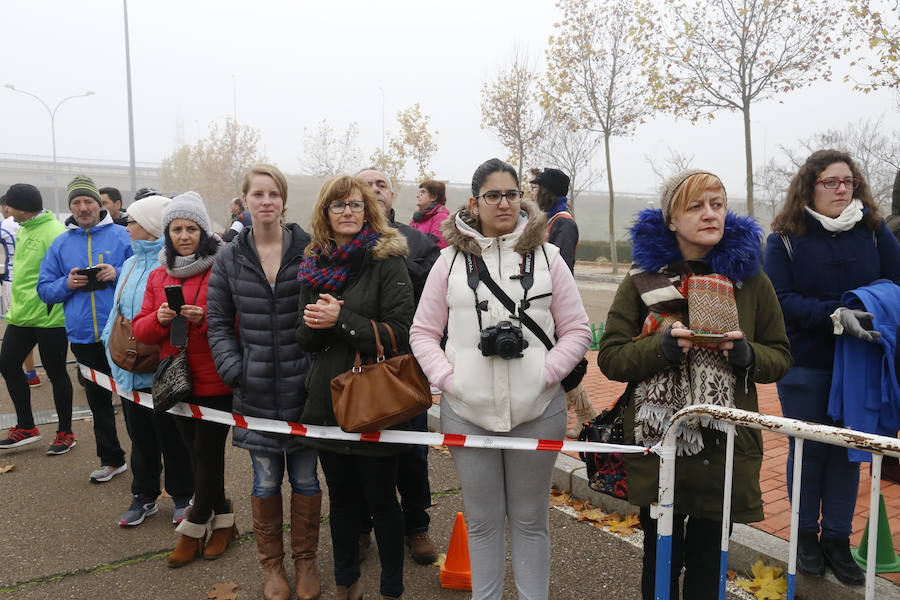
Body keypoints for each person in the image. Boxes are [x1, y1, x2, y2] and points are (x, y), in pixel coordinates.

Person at [598, 169, 791, 600]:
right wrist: (660, 349)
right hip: (661, 446)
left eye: (717, 204)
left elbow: (780, 355)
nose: (710, 214)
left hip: (726, 447)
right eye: (696, 206)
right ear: (671, 218)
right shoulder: (641, 280)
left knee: (709, 566)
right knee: (660, 562)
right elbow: (610, 357)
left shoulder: (752, 280)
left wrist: (748, 357)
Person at [410, 158, 592, 599]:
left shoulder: (548, 257)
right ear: (474, 203)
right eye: (493, 195)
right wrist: (450, 381)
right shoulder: (449, 261)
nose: (504, 202)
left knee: (531, 521)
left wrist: (546, 375)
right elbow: (422, 332)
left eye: (512, 193)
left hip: (539, 412)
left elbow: (578, 331)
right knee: (483, 522)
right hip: (467, 413)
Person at [764, 150, 900, 585]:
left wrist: (876, 308)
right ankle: (804, 536)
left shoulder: (875, 232)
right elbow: (779, 300)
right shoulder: (784, 238)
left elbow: (897, 284)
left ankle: (838, 540)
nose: (843, 189)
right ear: (809, 186)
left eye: (849, 182)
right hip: (806, 363)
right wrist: (836, 315)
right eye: (832, 182)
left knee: (849, 452)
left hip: (861, 363)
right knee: (808, 449)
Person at [296, 174, 414, 600]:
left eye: (355, 205)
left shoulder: (387, 260)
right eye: (338, 205)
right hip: (329, 401)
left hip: (376, 403)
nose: (347, 212)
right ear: (325, 213)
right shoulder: (313, 263)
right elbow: (305, 339)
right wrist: (318, 323)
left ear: (369, 211)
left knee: (383, 503)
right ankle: (347, 582)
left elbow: (401, 333)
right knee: (342, 504)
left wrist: (342, 320)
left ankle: (391, 588)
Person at [208, 165, 321, 600]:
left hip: (305, 393)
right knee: (265, 483)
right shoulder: (229, 257)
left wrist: (316, 375)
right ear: (246, 201)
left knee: (308, 481)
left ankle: (306, 562)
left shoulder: (310, 251)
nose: (267, 200)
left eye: (274, 193)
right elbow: (217, 321)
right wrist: (235, 369)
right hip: (253, 393)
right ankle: (272, 567)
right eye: (258, 193)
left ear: (284, 201)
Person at [132, 191, 236, 568]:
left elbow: (237, 322)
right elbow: (141, 330)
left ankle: (193, 529)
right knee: (196, 455)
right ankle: (224, 521)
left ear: (203, 231)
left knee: (206, 453)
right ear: (167, 232)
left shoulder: (222, 267)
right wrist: (159, 319)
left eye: (192, 228)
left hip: (214, 379)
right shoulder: (159, 274)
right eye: (176, 228)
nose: (184, 235)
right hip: (175, 379)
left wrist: (204, 319)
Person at [357, 168, 440, 565]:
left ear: (392, 195)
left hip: (407, 365)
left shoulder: (420, 242)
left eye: (382, 184)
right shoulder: (338, 243)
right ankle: (359, 528)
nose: (375, 189)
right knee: (357, 451)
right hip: (354, 368)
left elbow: (433, 299)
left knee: (413, 453)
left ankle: (416, 526)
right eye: (366, 184)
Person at [99, 194, 194, 527]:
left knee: (173, 438)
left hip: (159, 370)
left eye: (133, 221)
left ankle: (183, 495)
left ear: (152, 226)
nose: (127, 226)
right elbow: (117, 311)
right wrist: (108, 346)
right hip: (128, 371)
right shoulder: (130, 263)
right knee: (140, 440)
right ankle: (144, 495)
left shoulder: (170, 267)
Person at [37, 175, 132, 482]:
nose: (83, 207)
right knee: (97, 400)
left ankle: (149, 463)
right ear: (70, 207)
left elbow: (144, 280)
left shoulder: (122, 236)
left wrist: (116, 274)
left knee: (134, 399)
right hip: (82, 335)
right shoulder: (60, 244)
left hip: (120, 331)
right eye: (76, 202)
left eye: (88, 201)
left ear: (100, 205)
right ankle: (111, 458)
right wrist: (67, 283)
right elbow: (44, 289)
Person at [0, 184, 75, 455]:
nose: (6, 210)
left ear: (22, 207)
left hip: (49, 316)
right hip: (21, 315)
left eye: (9, 205)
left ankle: (65, 431)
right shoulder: (25, 229)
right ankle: (26, 426)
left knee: (56, 372)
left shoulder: (54, 232)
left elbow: (65, 275)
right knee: (7, 364)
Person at [530, 167, 597, 438]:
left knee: (563, 364)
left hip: (553, 303)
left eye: (536, 188)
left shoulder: (564, 223)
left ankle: (588, 418)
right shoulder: (547, 219)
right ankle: (587, 416)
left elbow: (561, 266)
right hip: (541, 300)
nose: (533, 192)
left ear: (546, 192)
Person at [0, 194, 40, 387]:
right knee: (43, 326)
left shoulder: (5, 225)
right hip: (38, 280)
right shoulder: (38, 224)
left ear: (7, 207)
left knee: (19, 326)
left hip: (12, 282)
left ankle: (31, 373)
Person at [409, 179, 449, 248]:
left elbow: (437, 247)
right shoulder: (417, 217)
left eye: (422, 192)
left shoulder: (441, 218)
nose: (417, 195)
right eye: (418, 192)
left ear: (433, 197)